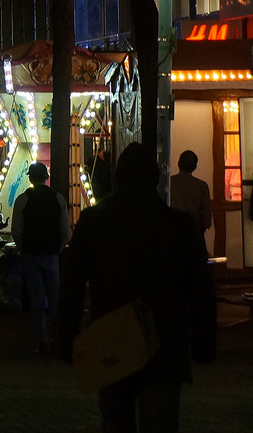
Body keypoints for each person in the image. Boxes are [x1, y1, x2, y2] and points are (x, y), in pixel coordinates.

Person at [62, 143, 216, 432]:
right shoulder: (179, 226)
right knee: (160, 422)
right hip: (165, 341)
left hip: (110, 336)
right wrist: (204, 340)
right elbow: (200, 289)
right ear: (155, 179)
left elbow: (71, 284)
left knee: (115, 420)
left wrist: (68, 337)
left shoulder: (94, 222)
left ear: (117, 178)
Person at [11, 162, 70, 354]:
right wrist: (60, 247)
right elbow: (65, 230)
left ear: (29, 178)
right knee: (54, 297)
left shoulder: (22, 200)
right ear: (46, 177)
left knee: (36, 298)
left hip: (31, 253)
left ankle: (43, 340)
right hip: (52, 253)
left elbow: (17, 230)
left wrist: (22, 248)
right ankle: (58, 338)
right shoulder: (58, 199)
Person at [169, 150, 212, 234]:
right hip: (193, 232)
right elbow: (206, 217)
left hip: (171, 231)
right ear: (195, 166)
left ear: (179, 163)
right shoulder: (201, 186)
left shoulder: (169, 183)